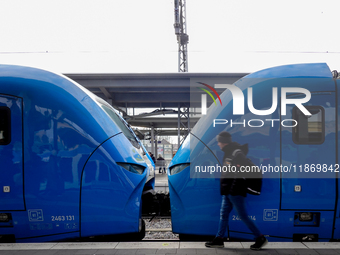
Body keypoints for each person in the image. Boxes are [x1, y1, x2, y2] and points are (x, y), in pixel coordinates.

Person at [205, 131, 268, 250]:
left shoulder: (237, 153)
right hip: (228, 192)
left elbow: (240, 173)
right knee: (223, 215)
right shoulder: (228, 152)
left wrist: (232, 190)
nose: (218, 144)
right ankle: (219, 239)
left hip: (235, 192)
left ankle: (260, 238)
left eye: (219, 142)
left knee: (243, 216)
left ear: (224, 142)